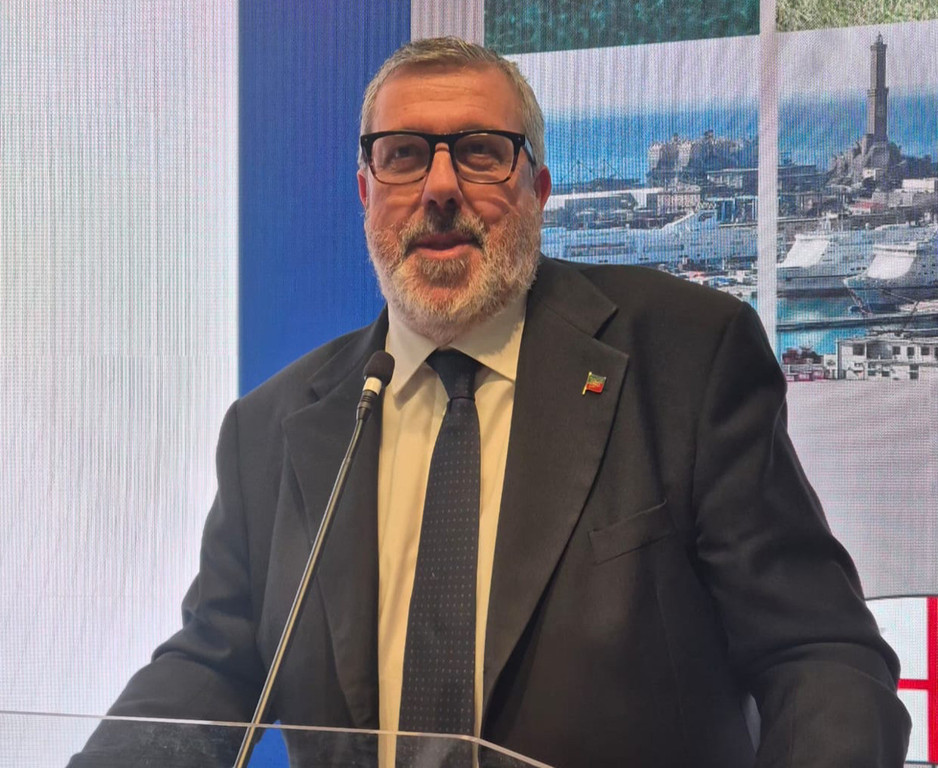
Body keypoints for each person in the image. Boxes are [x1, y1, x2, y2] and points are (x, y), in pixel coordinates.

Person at [74, 37, 910, 767]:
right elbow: (209, 671)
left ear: (537, 189)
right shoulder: (271, 429)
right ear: (367, 193)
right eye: (404, 155)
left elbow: (819, 657)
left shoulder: (686, 358)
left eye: (479, 152)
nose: (440, 187)